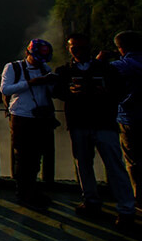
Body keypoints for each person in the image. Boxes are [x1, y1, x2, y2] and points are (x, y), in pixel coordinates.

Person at [53, 34, 134, 227]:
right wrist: (69, 92)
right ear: (69, 48)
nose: (78, 50)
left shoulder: (107, 69)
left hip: (104, 122)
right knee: (83, 165)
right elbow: (56, 92)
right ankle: (91, 201)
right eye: (74, 47)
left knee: (115, 167)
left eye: (81, 47)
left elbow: (121, 91)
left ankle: (126, 210)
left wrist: (106, 93)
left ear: (89, 47)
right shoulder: (64, 71)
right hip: (79, 123)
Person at [0, 38, 59, 208]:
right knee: (23, 157)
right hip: (21, 116)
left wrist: (52, 82)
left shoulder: (44, 68)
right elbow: (5, 89)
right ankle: (22, 193)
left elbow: (50, 92)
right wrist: (31, 83)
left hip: (41, 118)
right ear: (27, 53)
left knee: (36, 157)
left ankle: (32, 191)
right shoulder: (13, 68)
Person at [107, 30, 142, 210]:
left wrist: (100, 59)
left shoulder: (122, 65)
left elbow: (101, 72)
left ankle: (138, 198)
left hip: (129, 118)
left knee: (133, 160)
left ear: (121, 48)